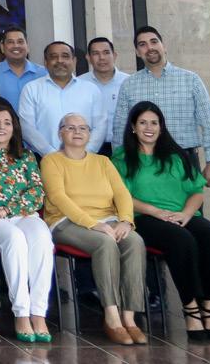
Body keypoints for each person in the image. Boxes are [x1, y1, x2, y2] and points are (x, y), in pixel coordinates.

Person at [111, 102, 210, 342]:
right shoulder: (122, 158)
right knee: (182, 241)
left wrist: (186, 214)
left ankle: (209, 309)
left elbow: (196, 191)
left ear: (161, 127)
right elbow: (121, 196)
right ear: (133, 126)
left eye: (154, 123)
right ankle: (191, 309)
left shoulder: (176, 156)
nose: (149, 128)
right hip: (144, 218)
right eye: (143, 122)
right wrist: (156, 211)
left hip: (181, 215)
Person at [41, 113, 146, 346]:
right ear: (60, 133)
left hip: (107, 219)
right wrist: (93, 224)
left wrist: (126, 221)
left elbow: (122, 193)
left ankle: (130, 319)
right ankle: (112, 317)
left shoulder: (102, 162)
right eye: (70, 127)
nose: (77, 132)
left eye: (83, 128)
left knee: (135, 241)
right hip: (66, 222)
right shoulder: (51, 161)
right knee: (104, 243)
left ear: (89, 134)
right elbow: (58, 197)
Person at [0, 101, 53, 342]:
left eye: (7, 122)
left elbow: (37, 192)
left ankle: (39, 313)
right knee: (15, 240)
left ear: (14, 127)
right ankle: (21, 313)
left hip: (23, 214)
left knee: (42, 238)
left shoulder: (26, 156)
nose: (1, 127)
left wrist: (9, 209)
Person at [112, 26, 210, 189]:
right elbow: (120, 128)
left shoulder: (191, 80)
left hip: (184, 159)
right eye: (142, 44)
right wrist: (118, 164)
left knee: (191, 206)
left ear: (164, 46)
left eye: (154, 42)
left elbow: (209, 123)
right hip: (144, 164)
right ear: (137, 52)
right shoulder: (129, 85)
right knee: (146, 207)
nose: (150, 47)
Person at [19, 42, 104, 155]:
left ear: (74, 61)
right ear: (45, 62)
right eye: (53, 57)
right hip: (44, 158)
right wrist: (52, 154)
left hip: (85, 158)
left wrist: (84, 153)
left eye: (65, 56)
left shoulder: (91, 89)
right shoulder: (31, 89)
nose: (59, 60)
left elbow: (100, 126)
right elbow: (27, 128)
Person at [79, 37, 130, 155]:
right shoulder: (80, 83)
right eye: (96, 53)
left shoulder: (128, 82)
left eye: (106, 52)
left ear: (114, 55)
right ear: (88, 58)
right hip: (88, 148)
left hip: (124, 147)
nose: (101, 57)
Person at [0, 27, 46, 110]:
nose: (16, 46)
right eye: (10, 42)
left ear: (27, 46)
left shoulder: (44, 73)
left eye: (20, 42)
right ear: (2, 47)